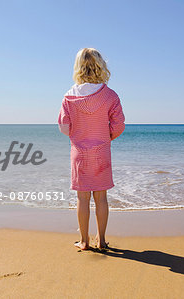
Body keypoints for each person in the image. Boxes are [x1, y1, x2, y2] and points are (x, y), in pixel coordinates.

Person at [58, 48, 125, 251]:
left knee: (82, 198)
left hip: (79, 152)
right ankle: (102, 240)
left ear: (78, 67)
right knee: (101, 198)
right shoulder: (110, 95)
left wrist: (78, 135)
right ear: (100, 66)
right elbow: (119, 124)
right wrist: (106, 137)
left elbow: (63, 126)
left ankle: (84, 241)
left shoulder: (69, 96)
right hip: (102, 151)